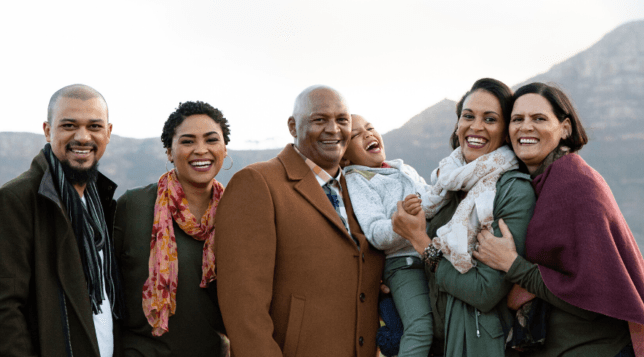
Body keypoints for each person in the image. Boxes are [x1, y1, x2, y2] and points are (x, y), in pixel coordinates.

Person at [473, 82, 644, 357]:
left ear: (565, 128)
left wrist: (512, 265)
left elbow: (593, 295)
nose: (526, 127)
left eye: (539, 118)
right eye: (517, 119)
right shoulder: (525, 187)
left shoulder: (577, 184)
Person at [215, 85, 385, 357]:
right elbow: (244, 310)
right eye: (319, 120)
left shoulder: (364, 191)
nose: (333, 129)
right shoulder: (258, 183)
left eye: (342, 120)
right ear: (293, 126)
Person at [0, 84, 122, 357]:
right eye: (68, 125)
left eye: (94, 126)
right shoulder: (14, 200)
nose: (82, 136)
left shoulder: (101, 203)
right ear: (47, 130)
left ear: (108, 133)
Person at [392, 78, 536, 357]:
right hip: (434, 340)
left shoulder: (512, 190)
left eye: (490, 119)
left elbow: (485, 291)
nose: (476, 127)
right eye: (468, 116)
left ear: (506, 132)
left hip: (476, 342)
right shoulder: (446, 183)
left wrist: (419, 240)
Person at [113, 101, 230, 356]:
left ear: (224, 148)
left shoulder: (236, 211)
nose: (201, 150)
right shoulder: (134, 207)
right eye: (187, 141)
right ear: (169, 151)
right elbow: (105, 292)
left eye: (211, 140)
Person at [340, 114, 432, 357]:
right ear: (345, 156)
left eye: (370, 128)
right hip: (403, 265)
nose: (368, 134)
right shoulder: (357, 179)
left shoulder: (404, 169)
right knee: (420, 327)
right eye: (357, 135)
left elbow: (431, 201)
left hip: (431, 254)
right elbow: (375, 232)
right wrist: (402, 223)